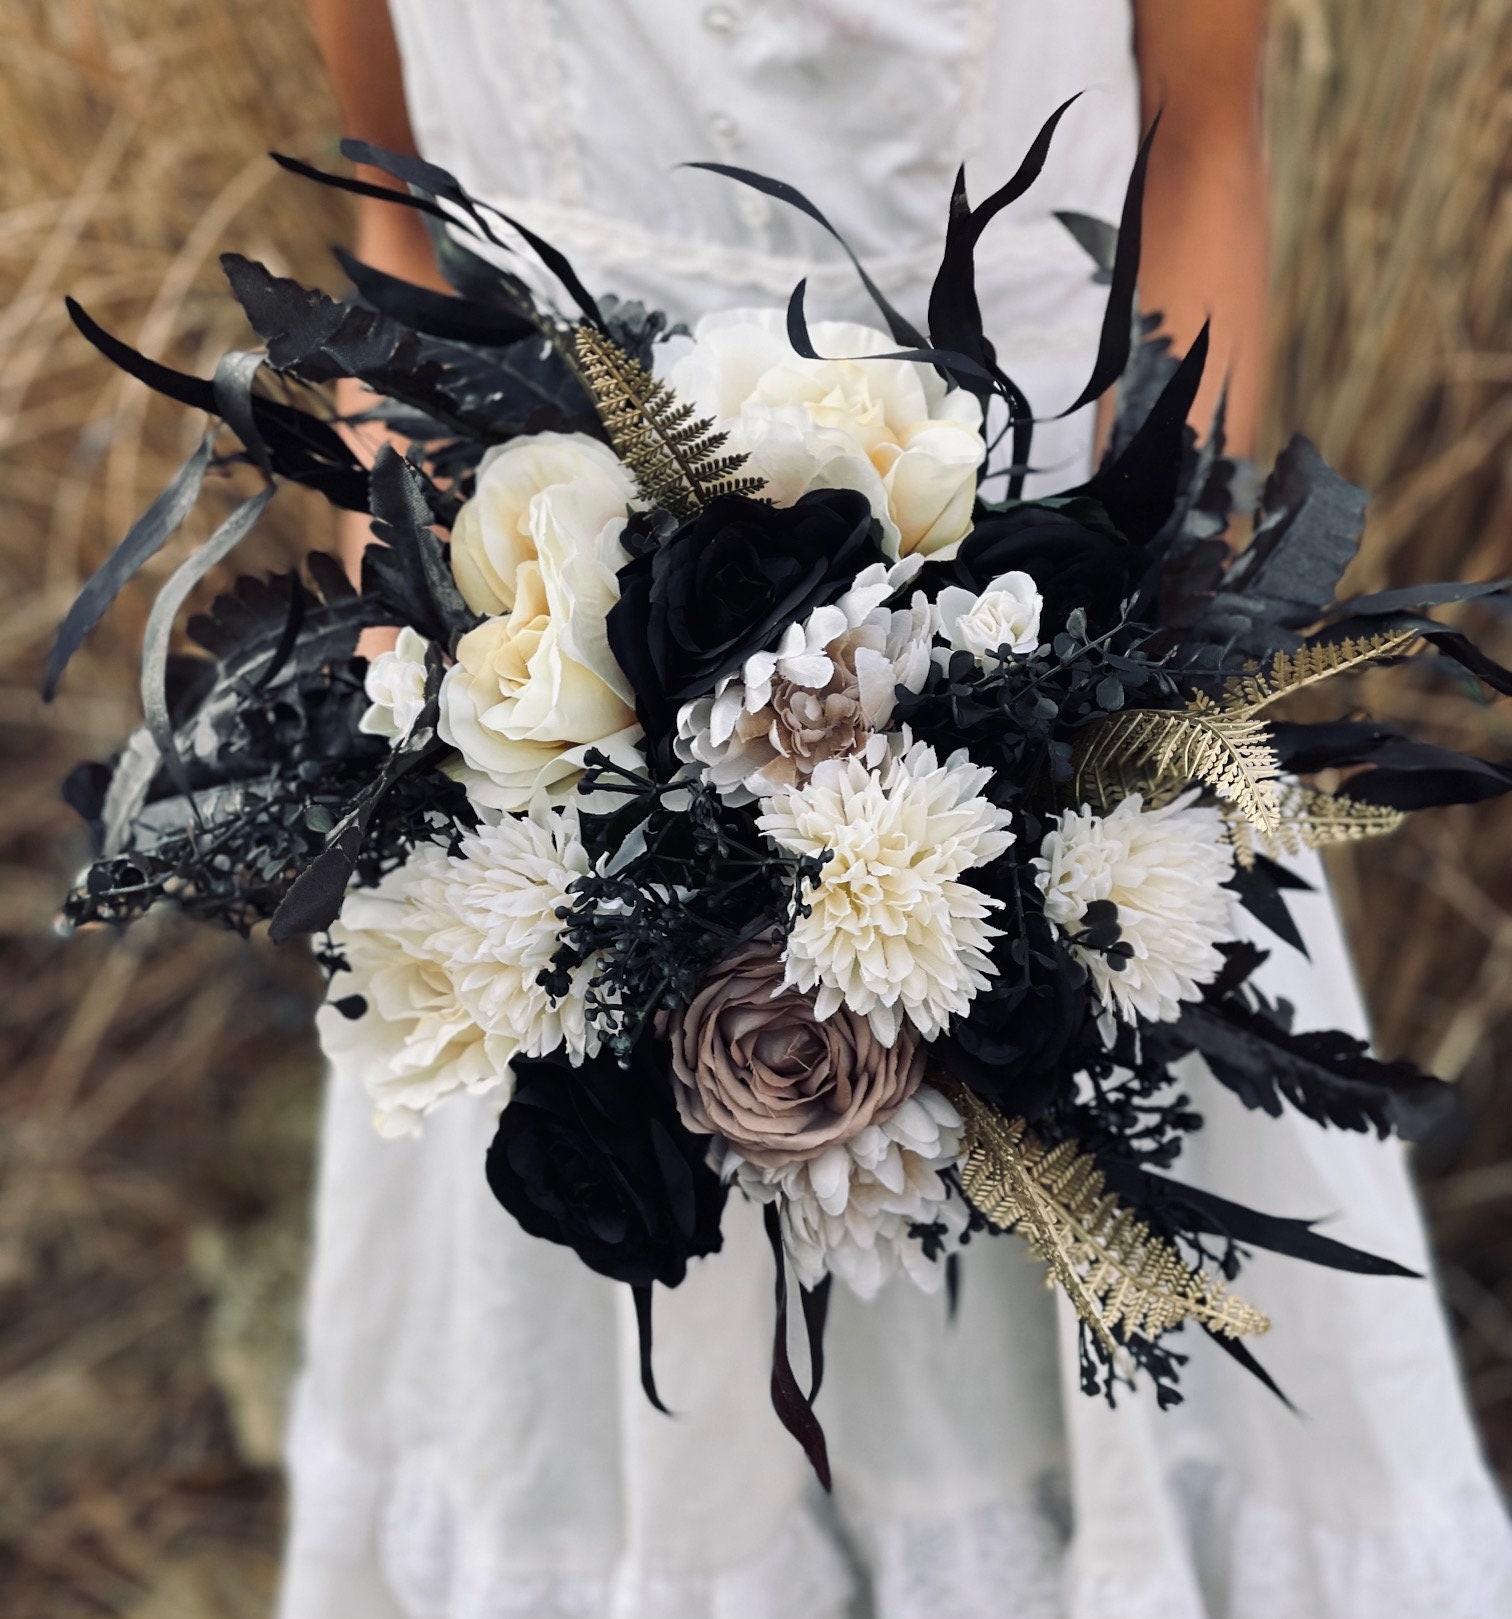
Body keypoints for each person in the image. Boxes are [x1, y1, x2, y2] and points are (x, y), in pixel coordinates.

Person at [280, 5, 1512, 1616]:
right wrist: (430, 620)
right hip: (532, 762)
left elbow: (1203, 137)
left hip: (1049, 692)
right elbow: (405, 198)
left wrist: (1144, 675)